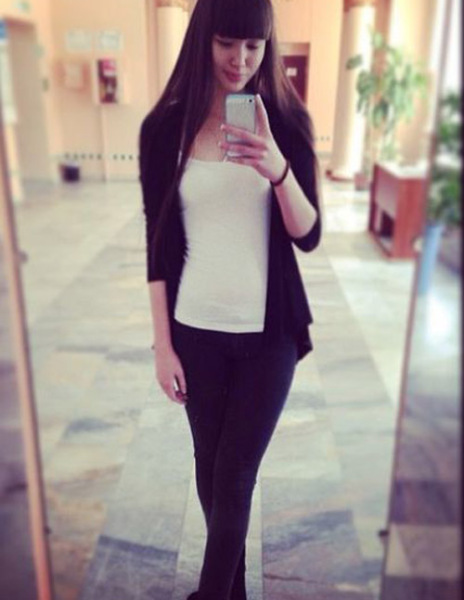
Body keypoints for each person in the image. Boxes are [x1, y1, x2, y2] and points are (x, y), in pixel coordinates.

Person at [138, 0, 322, 598]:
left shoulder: (287, 123)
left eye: (253, 45)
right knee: (209, 467)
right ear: (203, 40)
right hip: (195, 330)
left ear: (267, 46)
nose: (241, 59)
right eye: (227, 43)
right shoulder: (164, 129)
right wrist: (163, 345)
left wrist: (277, 169)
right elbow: (157, 245)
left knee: (236, 474)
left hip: (269, 336)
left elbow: (309, 235)